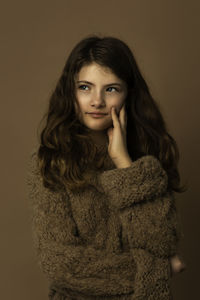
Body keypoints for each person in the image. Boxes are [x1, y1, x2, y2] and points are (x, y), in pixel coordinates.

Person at [26, 34, 186, 300]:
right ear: (71, 91)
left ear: (128, 94)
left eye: (111, 89)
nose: (97, 101)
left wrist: (125, 165)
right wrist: (158, 270)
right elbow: (60, 262)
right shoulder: (51, 162)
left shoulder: (147, 159)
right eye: (85, 87)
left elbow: (163, 240)